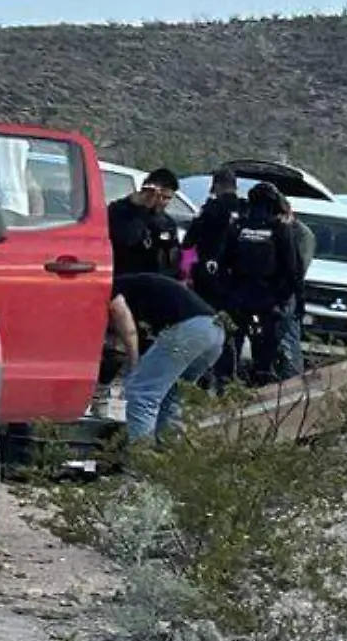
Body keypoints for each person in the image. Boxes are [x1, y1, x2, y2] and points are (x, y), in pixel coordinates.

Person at [107, 272, 227, 442]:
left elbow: (128, 329)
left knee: (141, 394)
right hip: (214, 331)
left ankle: (142, 462)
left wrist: (133, 365)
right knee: (170, 400)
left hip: (189, 330)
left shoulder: (108, 290)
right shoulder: (137, 290)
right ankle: (170, 459)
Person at [217, 181, 303, 385]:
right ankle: (259, 387)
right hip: (268, 301)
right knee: (265, 357)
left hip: (239, 298)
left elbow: (223, 262)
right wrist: (289, 299)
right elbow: (293, 269)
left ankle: (225, 387)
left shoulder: (238, 226)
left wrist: (227, 293)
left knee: (231, 351)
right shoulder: (280, 229)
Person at [107, 167, 183, 278]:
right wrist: (138, 207)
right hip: (125, 279)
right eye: (157, 196)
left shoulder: (167, 223)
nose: (161, 201)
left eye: (166, 198)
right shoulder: (119, 211)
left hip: (156, 282)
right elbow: (125, 239)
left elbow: (173, 261)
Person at [182, 166, 242, 307]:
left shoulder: (211, 209)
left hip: (209, 269)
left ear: (216, 185)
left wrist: (186, 270)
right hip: (236, 274)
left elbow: (189, 241)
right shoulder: (245, 209)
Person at [276, 192, 315, 380]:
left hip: (289, 293)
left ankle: (292, 379)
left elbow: (299, 267)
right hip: (275, 293)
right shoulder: (279, 231)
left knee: (289, 339)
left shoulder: (301, 234)